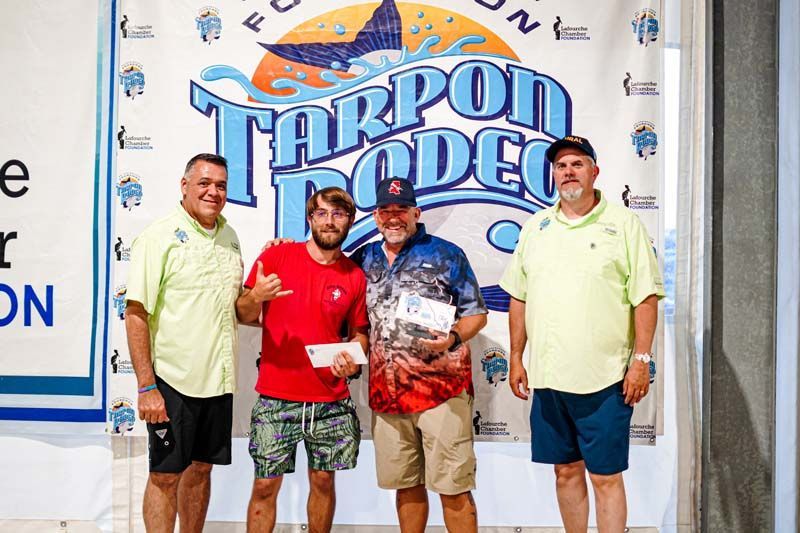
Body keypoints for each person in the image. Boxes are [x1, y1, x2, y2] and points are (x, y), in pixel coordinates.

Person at [499, 135, 664, 532]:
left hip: (605, 379)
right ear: (553, 174)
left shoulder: (624, 224)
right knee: (565, 472)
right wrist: (517, 357)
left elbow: (645, 297)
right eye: (560, 166)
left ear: (594, 171)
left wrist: (641, 361)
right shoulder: (536, 226)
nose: (568, 172)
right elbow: (518, 297)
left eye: (576, 164)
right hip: (549, 378)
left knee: (605, 477)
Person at [350, 178, 488, 533]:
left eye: (401, 211)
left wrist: (453, 338)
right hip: (387, 396)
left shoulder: (446, 254)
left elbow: (476, 313)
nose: (393, 218)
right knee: (406, 487)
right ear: (376, 216)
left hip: (440, 393)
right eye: (385, 211)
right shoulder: (363, 259)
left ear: (416, 213)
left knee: (453, 489)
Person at [236, 187, 369, 533]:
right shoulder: (278, 257)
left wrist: (354, 360)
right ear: (310, 218)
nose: (329, 221)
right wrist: (257, 296)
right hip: (276, 396)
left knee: (324, 481)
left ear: (350, 221)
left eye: (338, 214)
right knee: (265, 484)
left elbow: (360, 332)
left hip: (330, 401)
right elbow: (243, 312)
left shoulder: (354, 276)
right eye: (322, 213)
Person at [124, 153, 242, 533]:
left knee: (201, 471)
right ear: (184, 186)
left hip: (218, 382)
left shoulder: (230, 236)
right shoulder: (158, 236)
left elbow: (236, 305)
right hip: (172, 383)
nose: (213, 192)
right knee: (165, 475)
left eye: (221, 185)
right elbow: (136, 313)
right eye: (204, 183)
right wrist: (146, 386)